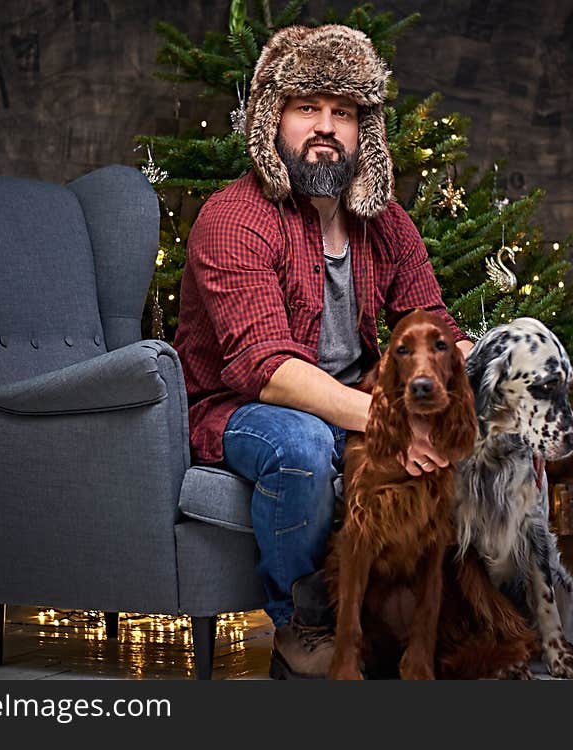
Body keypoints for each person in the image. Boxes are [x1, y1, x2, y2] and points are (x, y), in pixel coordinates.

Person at [174, 24, 473, 678]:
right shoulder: (235, 218)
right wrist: (394, 425)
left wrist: (472, 390)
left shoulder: (385, 223)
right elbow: (269, 371)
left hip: (357, 405)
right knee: (302, 444)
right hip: (243, 407)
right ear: (271, 119)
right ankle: (299, 625)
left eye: (343, 112)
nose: (325, 126)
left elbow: (440, 325)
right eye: (307, 106)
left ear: (363, 131)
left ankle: (465, 618)